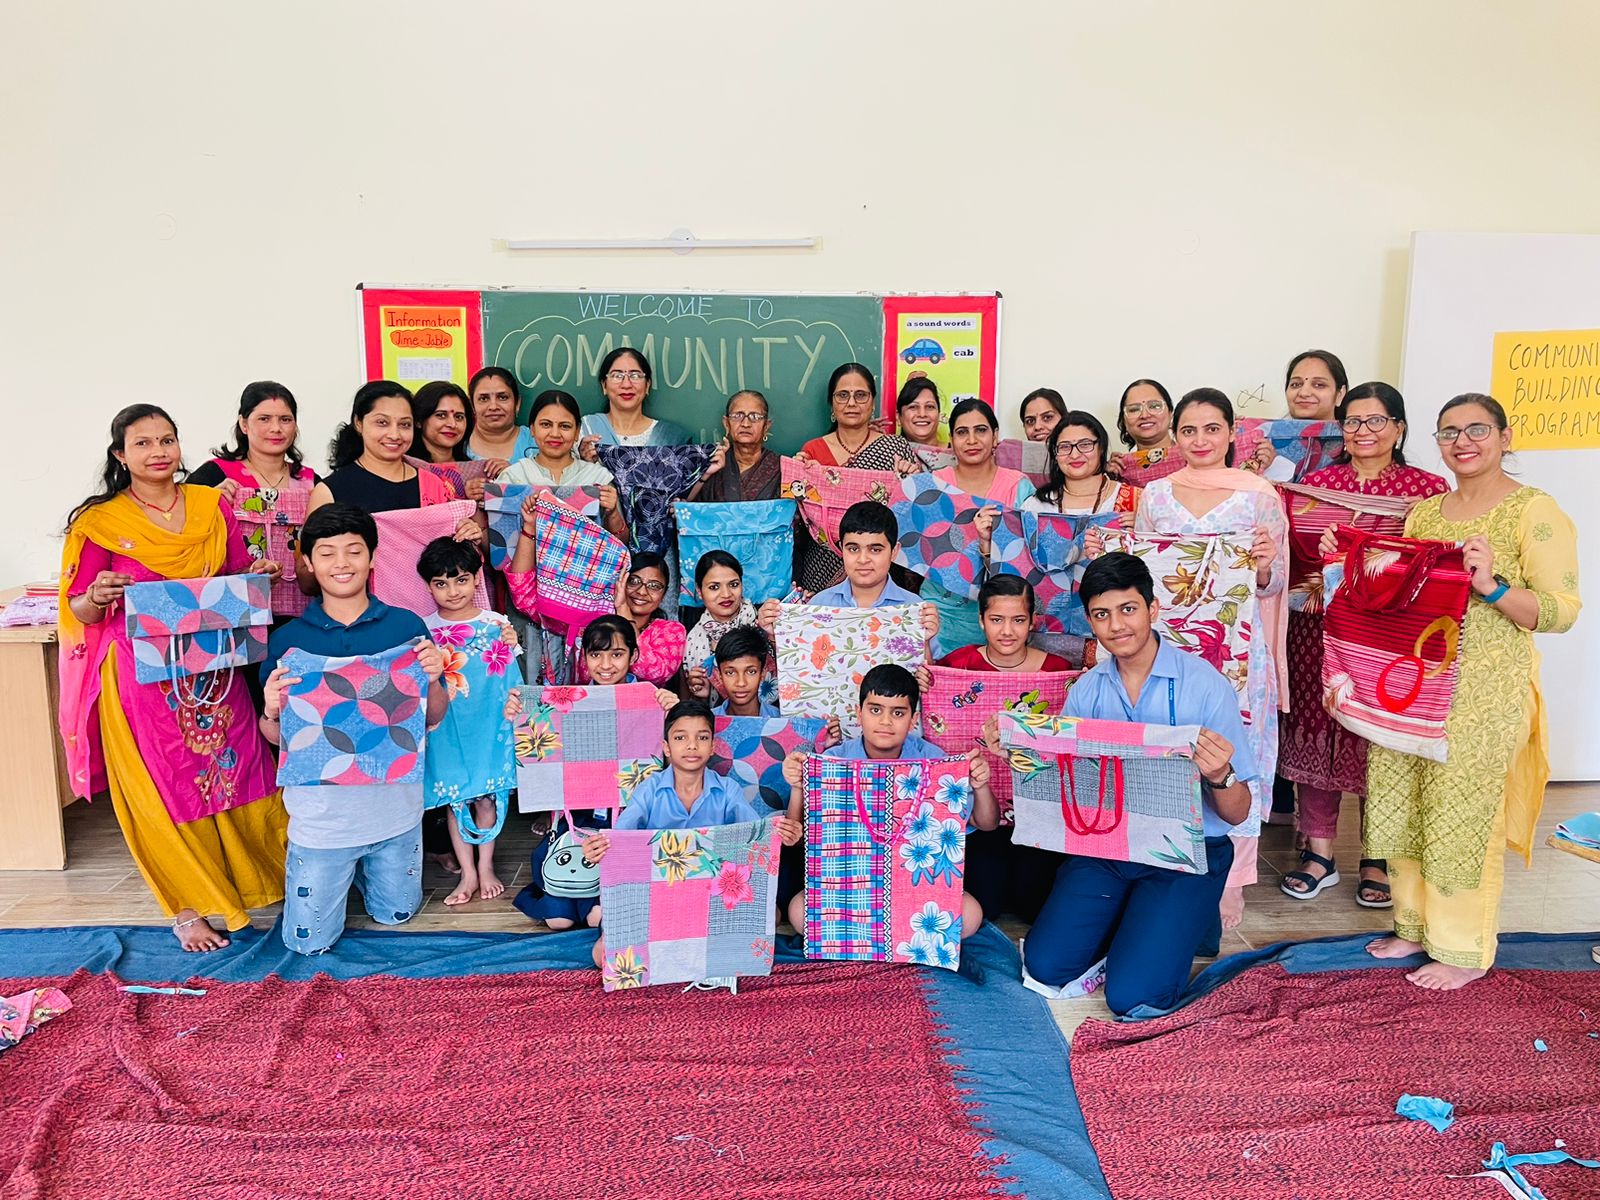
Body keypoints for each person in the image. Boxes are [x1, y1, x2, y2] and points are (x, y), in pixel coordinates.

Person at [1357, 394, 1579, 990]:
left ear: (1505, 437)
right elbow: (1399, 594)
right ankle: (1412, 925)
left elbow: (1561, 612)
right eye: (1449, 432)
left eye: (1477, 429)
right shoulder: (1425, 513)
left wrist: (1492, 586)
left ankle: (1463, 949)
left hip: (1485, 695)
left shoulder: (1534, 511)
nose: (1462, 442)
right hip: (1414, 686)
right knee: (1404, 801)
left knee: (1461, 815)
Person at [59, 404, 289, 952]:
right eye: (142, 443)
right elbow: (79, 608)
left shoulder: (212, 505)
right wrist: (96, 596)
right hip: (140, 677)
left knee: (239, 769)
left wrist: (256, 574)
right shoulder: (100, 522)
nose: (158, 451)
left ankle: (261, 881)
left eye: (167, 439)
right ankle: (189, 908)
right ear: (120, 455)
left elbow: (234, 573)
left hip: (213, 665)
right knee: (166, 785)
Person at [1014, 553, 1257, 1016]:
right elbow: (1067, 787)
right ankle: (1140, 925)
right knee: (1044, 967)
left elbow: (1238, 812)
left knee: (1133, 998)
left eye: (1128, 609)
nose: (1117, 625)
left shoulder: (1206, 687)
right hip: (1108, 848)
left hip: (1187, 854)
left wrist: (1220, 775)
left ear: (1153, 609)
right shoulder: (1086, 690)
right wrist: (1022, 751)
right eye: (1102, 614)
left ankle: (1178, 920)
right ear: (1090, 622)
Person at [1099, 388, 1288, 933]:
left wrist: (1262, 566)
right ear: (1175, 436)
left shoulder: (1259, 495)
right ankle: (1161, 858)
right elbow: (1139, 575)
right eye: (1189, 430)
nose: (1200, 440)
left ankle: (1232, 878)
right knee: (1166, 747)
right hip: (1164, 648)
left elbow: (1273, 583)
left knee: (1231, 753)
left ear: (1231, 433)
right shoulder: (1156, 495)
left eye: (1211, 429)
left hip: (1235, 650)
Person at [1276, 383, 1447, 906]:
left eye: (1376, 421)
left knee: (1379, 739)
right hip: (1316, 630)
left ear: (1399, 428)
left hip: (1389, 637)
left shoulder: (1429, 492)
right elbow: (1287, 557)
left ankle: (1378, 857)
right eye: (1352, 421)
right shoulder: (1314, 485)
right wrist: (1322, 553)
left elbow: (1438, 558)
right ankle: (1319, 854)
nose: (1363, 431)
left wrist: (1376, 554)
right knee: (1317, 730)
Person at [258, 503, 450, 955]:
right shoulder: (288, 641)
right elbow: (276, 738)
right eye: (327, 553)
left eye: (354, 551)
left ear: (373, 557)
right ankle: (342, 873)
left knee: (397, 914)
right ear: (308, 563)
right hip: (322, 821)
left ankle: (362, 875)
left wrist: (434, 677)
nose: (341, 563)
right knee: (307, 943)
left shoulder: (406, 628)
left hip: (396, 814)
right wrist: (272, 710)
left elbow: (432, 717)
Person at [582, 699, 804, 965]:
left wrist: (783, 830)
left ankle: (686, 939)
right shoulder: (649, 789)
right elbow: (618, 840)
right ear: (666, 747)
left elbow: (758, 836)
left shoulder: (728, 790)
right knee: (602, 957)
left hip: (709, 895)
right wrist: (597, 847)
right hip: (659, 895)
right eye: (680, 737)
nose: (691, 745)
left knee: (772, 915)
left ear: (713, 747)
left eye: (702, 737)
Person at [781, 664, 998, 937]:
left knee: (970, 915)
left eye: (898, 713)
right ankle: (893, 937)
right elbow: (797, 837)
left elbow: (987, 824)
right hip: (851, 886)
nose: (885, 721)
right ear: (859, 713)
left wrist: (980, 785)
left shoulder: (934, 760)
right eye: (875, 710)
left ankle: (879, 937)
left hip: (918, 885)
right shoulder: (833, 761)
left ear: (913, 719)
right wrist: (797, 787)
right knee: (799, 912)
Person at [508, 616, 678, 930]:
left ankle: (599, 899)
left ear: (633, 655)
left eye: (617, 654)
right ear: (584, 657)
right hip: (579, 823)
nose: (606, 665)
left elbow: (676, 755)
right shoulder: (568, 703)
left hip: (627, 823)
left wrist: (673, 713)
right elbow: (540, 747)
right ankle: (574, 895)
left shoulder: (650, 698)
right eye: (596, 654)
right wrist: (520, 713)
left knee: (598, 916)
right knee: (557, 921)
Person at [923, 575, 1073, 923]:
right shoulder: (958, 665)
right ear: (981, 620)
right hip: (977, 817)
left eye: (1018, 620)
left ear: (1032, 621)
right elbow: (932, 704)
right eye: (996, 619)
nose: (1007, 631)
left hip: (1036, 814)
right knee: (986, 905)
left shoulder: (1058, 671)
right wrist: (925, 674)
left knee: (1032, 906)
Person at [415, 537, 523, 907]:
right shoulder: (423, 630)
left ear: (477, 578)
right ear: (428, 586)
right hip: (445, 728)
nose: (453, 591)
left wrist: (513, 718)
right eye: (441, 583)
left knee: (488, 797)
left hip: (489, 727)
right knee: (455, 799)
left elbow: (512, 681)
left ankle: (486, 866)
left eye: (461, 579)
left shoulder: (496, 623)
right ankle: (469, 872)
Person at [793, 363, 919, 592]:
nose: (851, 403)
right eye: (843, 395)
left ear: (873, 402)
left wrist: (912, 483)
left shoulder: (895, 448)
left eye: (860, 395)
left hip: (880, 571)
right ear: (832, 403)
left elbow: (913, 517)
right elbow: (802, 523)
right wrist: (797, 477)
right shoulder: (812, 451)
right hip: (822, 570)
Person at [923, 398, 1035, 656]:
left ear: (995, 436)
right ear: (951, 440)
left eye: (981, 430)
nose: (971, 440)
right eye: (962, 432)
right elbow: (924, 551)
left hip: (1003, 616)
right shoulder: (934, 484)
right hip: (940, 610)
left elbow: (1027, 559)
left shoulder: (1018, 486)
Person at [758, 501, 940, 640]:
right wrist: (776, 632)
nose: (863, 559)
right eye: (853, 549)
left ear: (894, 551)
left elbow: (926, 673)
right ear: (841, 549)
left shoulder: (915, 608)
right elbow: (801, 662)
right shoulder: (820, 604)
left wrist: (924, 640)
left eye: (875, 550)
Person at [497, 390, 628, 538]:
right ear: (532, 429)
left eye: (565, 426)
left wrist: (612, 513)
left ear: (577, 431)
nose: (555, 434)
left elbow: (623, 543)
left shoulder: (599, 478)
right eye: (546, 424)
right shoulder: (512, 477)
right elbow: (497, 540)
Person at [313, 382, 458, 514]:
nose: (394, 435)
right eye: (382, 422)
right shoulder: (329, 492)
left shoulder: (433, 484)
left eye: (405, 424)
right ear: (358, 423)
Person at [187, 380, 321, 495]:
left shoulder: (313, 484)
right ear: (243, 424)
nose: (276, 428)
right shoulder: (214, 474)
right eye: (264, 419)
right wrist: (208, 503)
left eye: (285, 419)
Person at [1258, 350, 1350, 483]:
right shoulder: (1262, 437)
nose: (1304, 392)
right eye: (1296, 384)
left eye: (1319, 385)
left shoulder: (1356, 440)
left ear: (1340, 394)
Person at [577, 347, 691, 454]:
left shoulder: (671, 437)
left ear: (647, 385)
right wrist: (584, 462)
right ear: (604, 386)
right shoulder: (584, 429)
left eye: (635, 376)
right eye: (617, 376)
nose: (626, 384)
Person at [1025, 412, 1140, 515]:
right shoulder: (1035, 507)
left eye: (1085, 444)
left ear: (1101, 448)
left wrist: (1141, 525)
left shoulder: (1137, 500)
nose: (1074, 455)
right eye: (1065, 446)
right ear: (1055, 454)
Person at [684, 549, 762, 696]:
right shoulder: (692, 641)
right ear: (699, 591)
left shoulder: (762, 623)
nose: (726, 594)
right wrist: (700, 694)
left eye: (733, 584)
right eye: (714, 587)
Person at [692, 389, 781, 502]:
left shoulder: (780, 468)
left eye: (755, 417)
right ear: (726, 423)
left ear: (766, 426)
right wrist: (705, 475)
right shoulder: (712, 463)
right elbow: (687, 505)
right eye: (737, 416)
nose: (745, 424)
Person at [1107, 378, 1178, 482]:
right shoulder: (1119, 470)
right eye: (1134, 409)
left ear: (1170, 413)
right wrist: (1107, 478)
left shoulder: (1192, 457)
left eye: (1154, 406)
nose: (1145, 415)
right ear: (1124, 421)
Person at [466, 367, 535, 465]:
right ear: (472, 405)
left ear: (517, 403)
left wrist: (514, 472)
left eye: (502, 397)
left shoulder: (537, 442)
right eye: (484, 399)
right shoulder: (458, 444)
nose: (493, 407)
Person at [708, 625, 780, 718]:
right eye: (730, 673)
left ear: (762, 673)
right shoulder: (708, 721)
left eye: (751, 672)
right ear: (719, 675)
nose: (741, 683)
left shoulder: (781, 720)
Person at [409, 381, 475, 466]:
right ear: (418, 420)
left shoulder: (472, 468)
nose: (452, 424)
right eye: (441, 415)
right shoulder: (405, 467)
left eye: (459, 417)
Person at [896, 377, 948, 465]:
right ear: (898, 417)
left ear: (939, 414)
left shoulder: (958, 455)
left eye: (930, 407)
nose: (922, 414)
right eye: (913, 407)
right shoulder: (887, 455)